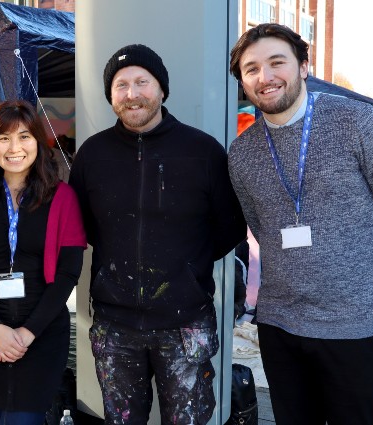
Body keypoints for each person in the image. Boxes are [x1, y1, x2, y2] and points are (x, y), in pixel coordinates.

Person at [227, 23, 373, 424]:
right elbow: (260, 227)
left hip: (355, 326)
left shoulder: (358, 122)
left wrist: (367, 275)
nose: (264, 77)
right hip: (280, 324)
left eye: (276, 62)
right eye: (251, 69)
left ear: (303, 66)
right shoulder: (241, 152)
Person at [69, 44, 247, 425]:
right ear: (111, 96)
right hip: (114, 325)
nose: (132, 94)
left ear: (161, 89)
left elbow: (229, 226)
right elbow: (81, 225)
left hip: (185, 323)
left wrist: (184, 264)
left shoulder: (203, 151)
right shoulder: (92, 155)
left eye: (141, 82)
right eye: (121, 85)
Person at [0, 100, 86, 425]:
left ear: (37, 143)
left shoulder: (62, 197)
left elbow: (69, 271)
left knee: (24, 417)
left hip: (42, 333)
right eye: (3, 138)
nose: (14, 148)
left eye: (24, 137)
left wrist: (27, 333)